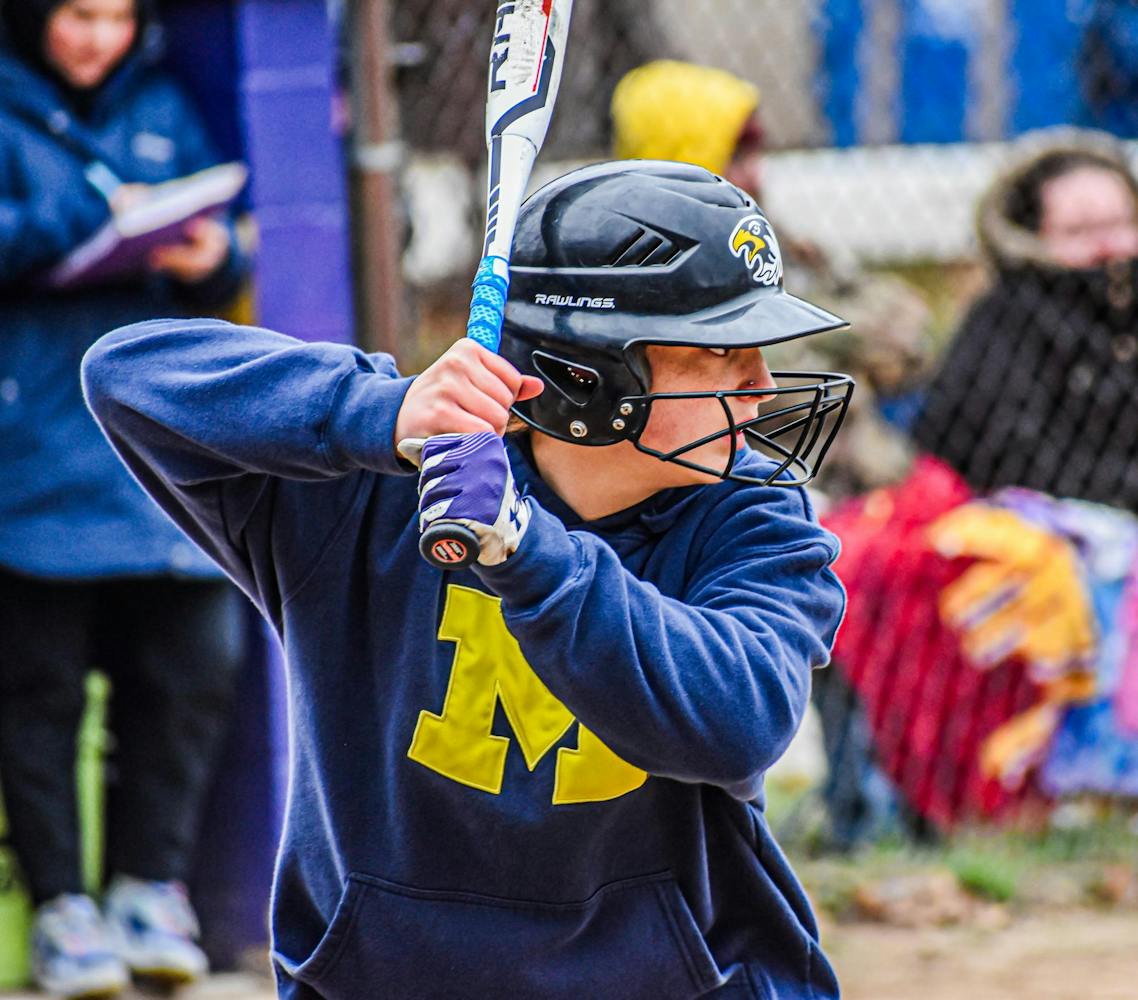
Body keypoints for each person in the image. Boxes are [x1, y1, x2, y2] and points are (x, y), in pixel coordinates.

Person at [83, 161, 854, 999]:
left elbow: (738, 720)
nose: (761, 385)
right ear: (591, 379)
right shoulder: (371, 490)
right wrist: (378, 412)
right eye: (721, 352)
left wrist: (526, 549)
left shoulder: (753, 515)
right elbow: (127, 375)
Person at [0, 1, 249, 996]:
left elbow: (218, 258)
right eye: (76, 13)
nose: (95, 38)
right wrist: (93, 219)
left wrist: (213, 259)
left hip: (151, 460)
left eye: (113, 15)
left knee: (190, 671)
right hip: (29, 457)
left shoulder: (164, 104)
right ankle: (62, 911)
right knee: (38, 692)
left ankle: (151, 889)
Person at [914, 129, 1138, 507]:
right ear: (1032, 238)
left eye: (1121, 224)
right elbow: (1006, 459)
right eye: (1079, 232)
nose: (1108, 248)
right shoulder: (1012, 319)